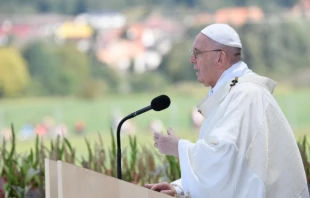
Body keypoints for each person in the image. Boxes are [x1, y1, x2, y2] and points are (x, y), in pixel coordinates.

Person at [144, 24, 309, 198]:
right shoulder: (232, 93)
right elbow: (230, 171)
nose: (191, 60)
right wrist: (180, 187)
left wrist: (178, 147)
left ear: (220, 58)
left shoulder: (246, 95)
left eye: (197, 53)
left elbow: (224, 157)